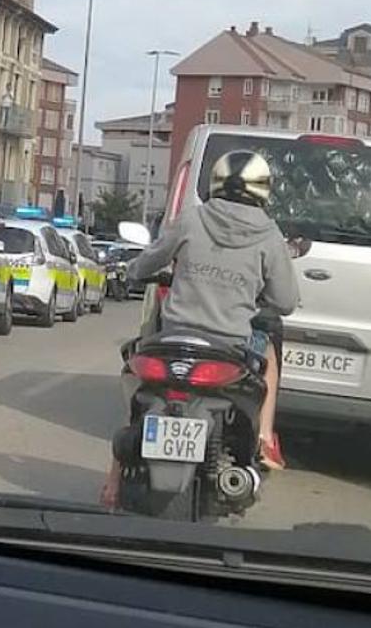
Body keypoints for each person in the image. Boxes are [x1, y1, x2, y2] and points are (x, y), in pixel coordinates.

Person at [101, 149, 299, 508]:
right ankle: (263, 439)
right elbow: (285, 301)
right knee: (268, 355)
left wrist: (132, 272)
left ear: (217, 183)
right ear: (263, 190)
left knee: (136, 382)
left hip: (174, 337)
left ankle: (112, 479)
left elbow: (148, 261)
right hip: (230, 346)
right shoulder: (270, 235)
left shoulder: (192, 219)